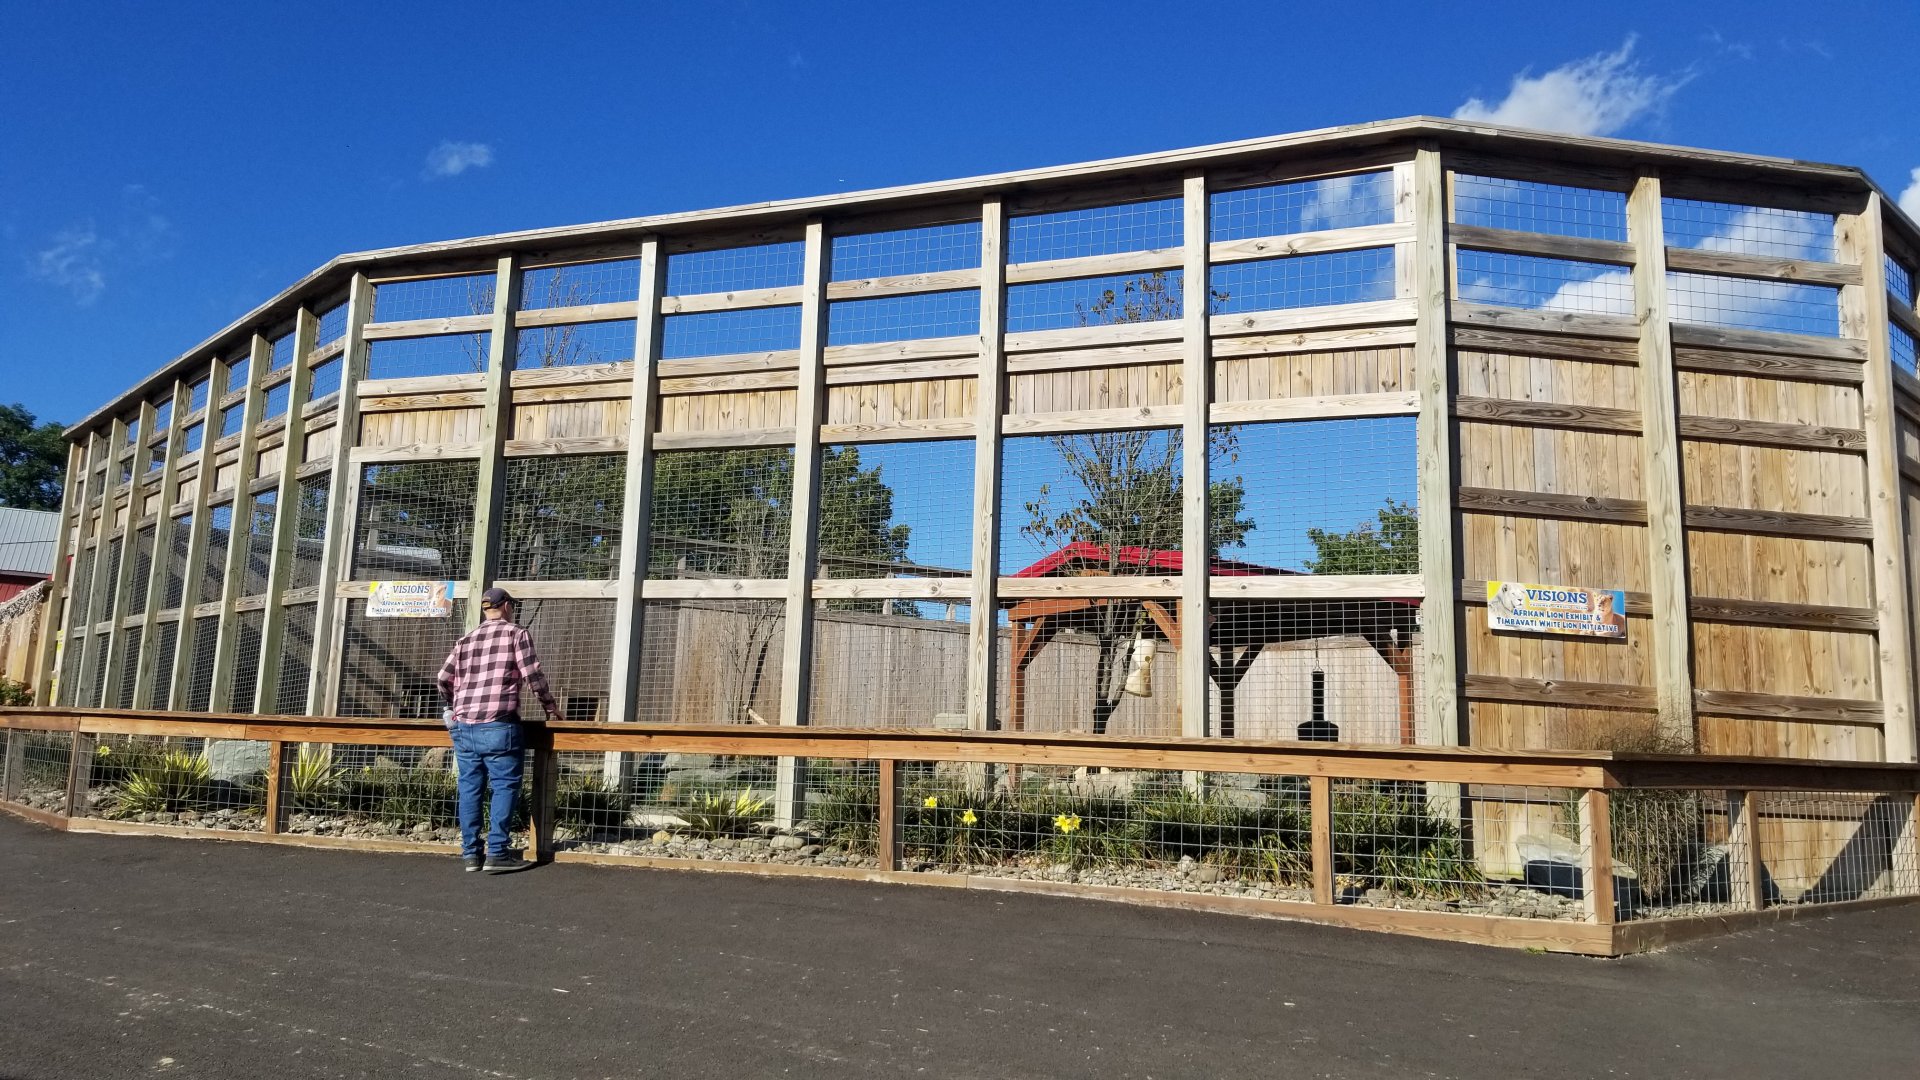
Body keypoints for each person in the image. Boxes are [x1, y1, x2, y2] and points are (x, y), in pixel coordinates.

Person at [436, 587, 562, 873]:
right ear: (505, 606)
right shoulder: (516, 634)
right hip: (499, 724)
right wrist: (550, 707)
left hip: (464, 725)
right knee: (504, 786)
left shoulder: (465, 640)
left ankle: (470, 855)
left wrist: (454, 705)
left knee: (469, 788)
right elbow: (532, 675)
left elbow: (443, 678)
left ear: (485, 609)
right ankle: (497, 853)